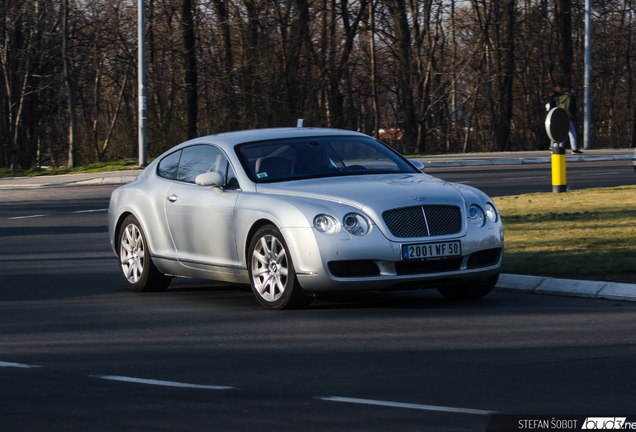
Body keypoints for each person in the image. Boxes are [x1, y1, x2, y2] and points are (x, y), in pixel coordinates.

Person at [558, 84, 582, 154]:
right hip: (567, 117)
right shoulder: (570, 97)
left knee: (565, 132)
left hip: (561, 116)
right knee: (572, 133)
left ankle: (559, 146)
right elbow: (569, 107)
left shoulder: (561, 97)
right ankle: (574, 149)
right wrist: (572, 116)